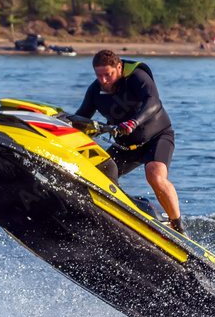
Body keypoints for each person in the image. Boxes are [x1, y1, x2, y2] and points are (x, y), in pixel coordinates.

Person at [67, 49, 186, 234]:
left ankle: (179, 228)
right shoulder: (95, 91)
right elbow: (80, 119)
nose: (104, 80)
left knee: (155, 175)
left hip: (157, 137)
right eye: (99, 75)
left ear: (119, 68)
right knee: (96, 176)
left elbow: (152, 101)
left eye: (108, 74)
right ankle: (118, 218)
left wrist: (134, 122)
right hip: (125, 146)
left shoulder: (137, 78)